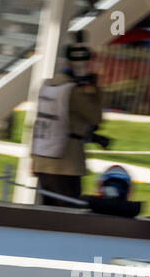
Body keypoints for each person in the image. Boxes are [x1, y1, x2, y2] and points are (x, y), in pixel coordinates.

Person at [30, 41, 104, 206]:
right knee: (67, 214)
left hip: (43, 158)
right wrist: (95, 90)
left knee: (47, 213)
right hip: (66, 163)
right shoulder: (74, 91)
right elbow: (96, 117)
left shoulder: (49, 85)